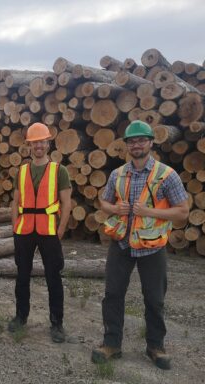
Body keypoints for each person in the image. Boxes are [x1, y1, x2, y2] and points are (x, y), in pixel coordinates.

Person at [91, 120, 189, 370]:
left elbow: (182, 213)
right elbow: (104, 203)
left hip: (152, 247)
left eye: (141, 140)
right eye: (132, 141)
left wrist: (150, 211)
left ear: (151, 142)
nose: (136, 145)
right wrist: (114, 207)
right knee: (113, 295)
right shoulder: (117, 174)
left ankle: (156, 347)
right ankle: (111, 344)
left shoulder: (167, 175)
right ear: (127, 146)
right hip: (121, 245)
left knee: (154, 299)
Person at [7, 122, 72, 343]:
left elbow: (66, 203)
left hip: (49, 231)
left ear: (48, 143)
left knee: (53, 277)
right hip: (24, 230)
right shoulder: (22, 170)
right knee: (22, 276)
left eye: (42, 141)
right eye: (35, 142)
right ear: (29, 145)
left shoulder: (59, 170)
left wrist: (61, 230)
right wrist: (15, 226)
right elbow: (15, 201)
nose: (38, 146)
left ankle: (57, 323)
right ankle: (20, 317)